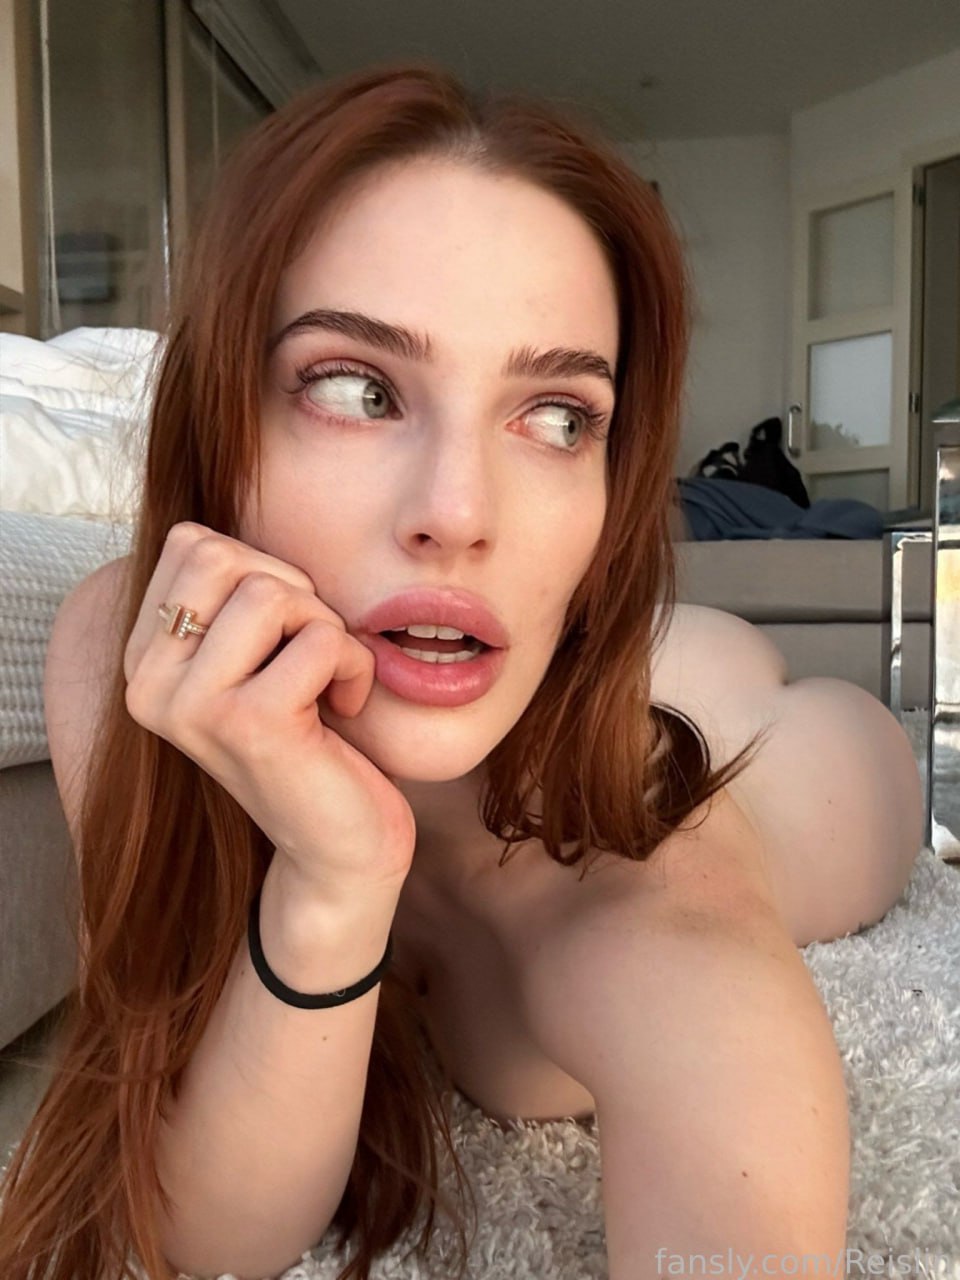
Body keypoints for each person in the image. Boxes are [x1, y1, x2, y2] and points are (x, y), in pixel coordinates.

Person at [0, 63, 924, 1280]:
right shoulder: (126, 644)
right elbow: (209, 1232)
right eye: (357, 388)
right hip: (606, 661)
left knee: (763, 698)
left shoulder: (657, 931)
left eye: (558, 417)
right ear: (220, 422)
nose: (459, 512)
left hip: (809, 760)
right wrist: (336, 877)